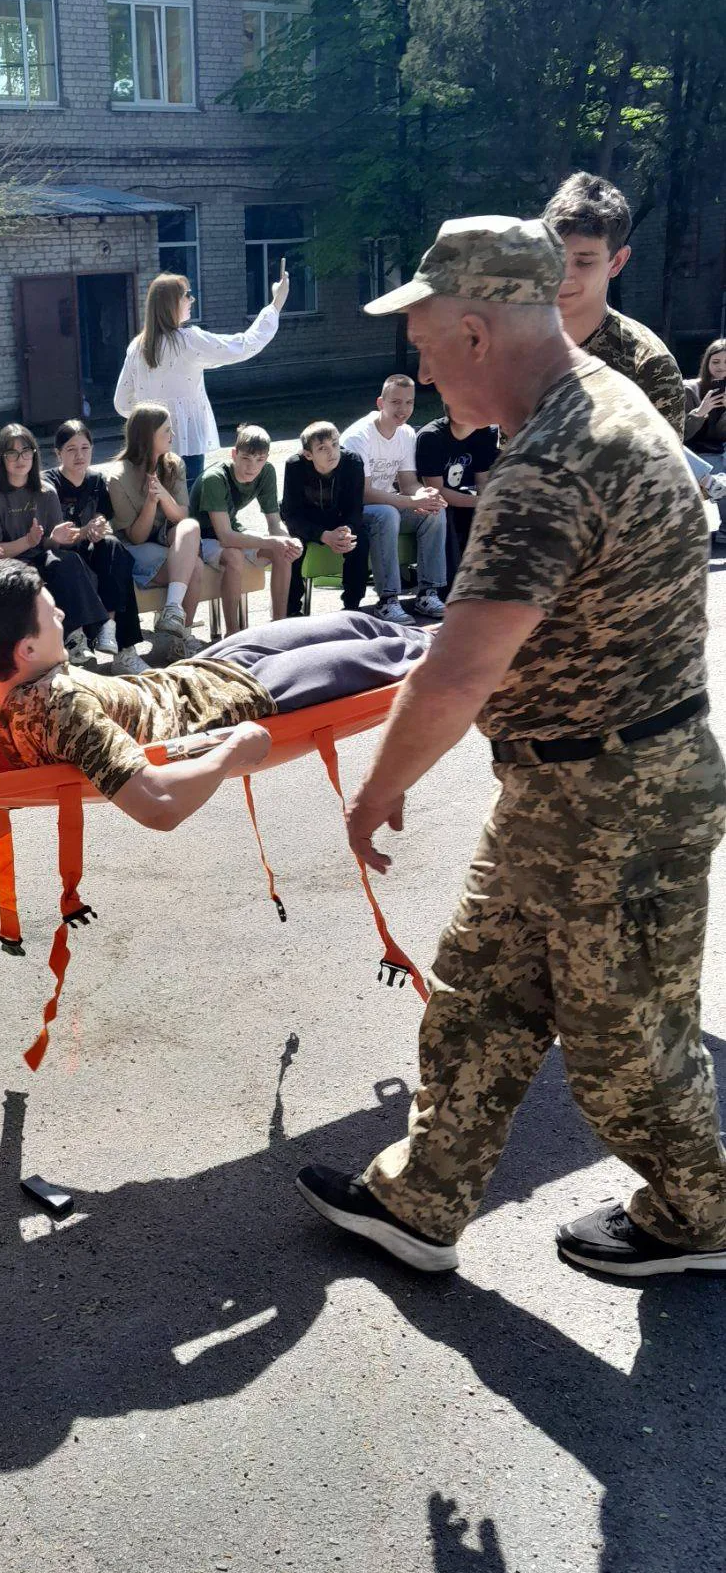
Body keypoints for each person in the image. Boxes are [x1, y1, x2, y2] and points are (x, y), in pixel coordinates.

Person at [294, 213, 726, 1280]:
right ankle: (422, 1199)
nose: (423, 374)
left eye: (427, 347)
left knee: (625, 1045)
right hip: (569, 784)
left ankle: (699, 1214)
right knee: (480, 993)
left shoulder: (553, 463)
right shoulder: (604, 398)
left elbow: (458, 672)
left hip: (616, 798)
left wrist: (375, 792)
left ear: (478, 333)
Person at [0, 559, 427, 828]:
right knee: (388, 656)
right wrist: (233, 750)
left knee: (355, 623)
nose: (61, 618)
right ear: (27, 649)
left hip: (196, 671)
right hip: (241, 698)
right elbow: (159, 806)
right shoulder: (63, 708)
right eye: (51, 615)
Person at [114, 263, 291, 491]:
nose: (192, 299)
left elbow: (122, 402)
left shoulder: (137, 346)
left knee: (151, 503)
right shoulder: (188, 341)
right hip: (187, 445)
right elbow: (245, 345)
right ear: (172, 303)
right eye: (186, 295)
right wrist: (276, 304)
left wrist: (150, 423)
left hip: (147, 446)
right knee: (187, 505)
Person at [542, 171, 685, 437]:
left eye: (584, 262)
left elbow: (665, 464)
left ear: (617, 262)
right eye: (554, 256)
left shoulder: (648, 367)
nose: (563, 275)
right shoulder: (524, 346)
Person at [0, 423, 108, 666]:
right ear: (1, 458)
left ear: (34, 454)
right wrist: (27, 541)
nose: (20, 459)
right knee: (26, 579)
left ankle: (78, 638)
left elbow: (49, 544)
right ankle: (88, 631)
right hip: (11, 562)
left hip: (40, 555)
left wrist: (55, 538)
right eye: (12, 453)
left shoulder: (46, 491)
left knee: (68, 561)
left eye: (25, 451)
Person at [340, 378, 447, 623]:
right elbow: (364, 493)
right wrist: (411, 502)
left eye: (409, 402)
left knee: (434, 511)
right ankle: (387, 601)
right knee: (386, 513)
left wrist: (425, 496)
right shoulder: (359, 437)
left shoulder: (407, 433)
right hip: (354, 511)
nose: (403, 410)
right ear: (381, 403)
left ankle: (428, 593)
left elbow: (408, 483)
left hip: (389, 505)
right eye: (396, 402)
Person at [48, 419, 148, 675]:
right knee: (71, 562)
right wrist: (85, 531)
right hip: (61, 555)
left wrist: (99, 524)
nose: (79, 455)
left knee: (115, 549)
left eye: (85, 448)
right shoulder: (49, 484)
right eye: (71, 449)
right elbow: (58, 535)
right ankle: (82, 640)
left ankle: (119, 643)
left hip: (88, 549)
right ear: (58, 453)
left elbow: (103, 515)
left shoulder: (96, 480)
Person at [107, 404, 207, 660]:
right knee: (195, 567)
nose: (172, 435)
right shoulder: (118, 477)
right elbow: (136, 537)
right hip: (134, 548)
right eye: (166, 430)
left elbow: (181, 516)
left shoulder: (174, 464)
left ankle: (173, 613)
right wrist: (151, 503)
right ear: (147, 435)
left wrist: (163, 495)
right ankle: (181, 637)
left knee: (191, 526)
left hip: (167, 539)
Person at [191, 423, 303, 632]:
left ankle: (279, 626)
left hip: (231, 530)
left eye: (259, 459)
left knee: (284, 550)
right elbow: (225, 537)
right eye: (246, 458)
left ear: (266, 458)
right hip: (199, 537)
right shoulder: (214, 478)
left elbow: (274, 524)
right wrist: (271, 540)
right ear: (234, 454)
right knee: (234, 556)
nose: (252, 467)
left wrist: (288, 540)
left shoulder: (266, 472)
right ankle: (233, 633)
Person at [279, 423, 369, 615]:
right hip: (306, 520)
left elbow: (355, 509)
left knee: (359, 538)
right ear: (308, 454)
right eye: (322, 448)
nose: (332, 452)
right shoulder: (295, 465)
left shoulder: (353, 462)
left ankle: (352, 606)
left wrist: (347, 529)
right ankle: (291, 610)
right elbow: (291, 514)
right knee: (292, 544)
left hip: (338, 519)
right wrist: (322, 535)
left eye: (335, 444)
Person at [412, 404, 500, 582]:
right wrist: (482, 502)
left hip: (465, 495)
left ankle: (487, 578)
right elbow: (436, 492)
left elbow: (482, 481)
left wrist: (488, 505)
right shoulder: (431, 437)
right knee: (446, 513)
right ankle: (449, 584)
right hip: (433, 500)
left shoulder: (484, 434)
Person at [684, 338, 726, 476]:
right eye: (716, 362)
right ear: (707, 362)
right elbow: (680, 435)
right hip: (695, 454)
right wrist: (700, 413)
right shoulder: (689, 389)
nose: (721, 367)